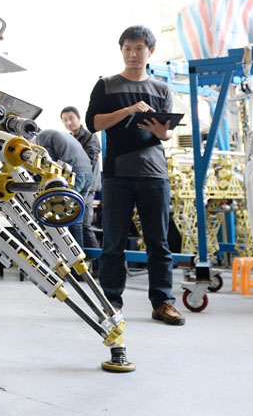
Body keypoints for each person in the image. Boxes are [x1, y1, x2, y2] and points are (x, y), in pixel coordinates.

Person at [85, 25, 185, 326]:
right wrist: (129, 110)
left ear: (150, 52)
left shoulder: (162, 89)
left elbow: (166, 133)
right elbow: (94, 123)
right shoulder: (106, 85)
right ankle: (111, 304)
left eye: (139, 48)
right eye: (127, 48)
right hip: (117, 175)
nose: (132, 54)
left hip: (155, 174)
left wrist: (160, 132)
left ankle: (163, 302)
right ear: (122, 51)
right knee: (113, 243)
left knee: (158, 242)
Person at [34, 129, 93, 249]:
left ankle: (68, 259)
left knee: (61, 218)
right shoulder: (58, 133)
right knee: (76, 219)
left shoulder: (42, 137)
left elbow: (48, 163)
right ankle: (79, 262)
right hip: (87, 174)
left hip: (74, 174)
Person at [60, 106, 101, 248]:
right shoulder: (68, 139)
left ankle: (98, 265)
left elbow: (91, 159)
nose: (68, 123)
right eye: (65, 120)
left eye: (71, 118)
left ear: (78, 118)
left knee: (84, 225)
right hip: (73, 186)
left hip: (87, 186)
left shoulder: (90, 136)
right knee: (72, 224)